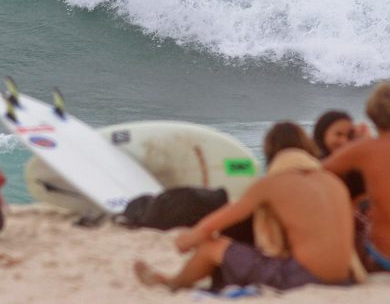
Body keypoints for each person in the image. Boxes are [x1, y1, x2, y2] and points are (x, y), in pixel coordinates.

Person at [133, 122, 357, 291]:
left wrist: (187, 239)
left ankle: (173, 283)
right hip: (345, 277)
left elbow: (212, 225)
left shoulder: (273, 183)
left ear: (271, 153)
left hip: (306, 277)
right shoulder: (332, 181)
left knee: (212, 247)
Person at [324, 82, 390, 272]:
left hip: (383, 255)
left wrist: (357, 144)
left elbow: (319, 172)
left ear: (372, 113)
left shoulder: (366, 149)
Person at [313, 110, 370, 200]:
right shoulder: (311, 163)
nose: (344, 141)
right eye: (338, 134)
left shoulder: (354, 167)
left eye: (349, 136)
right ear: (323, 133)